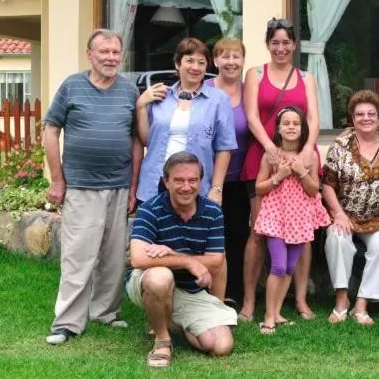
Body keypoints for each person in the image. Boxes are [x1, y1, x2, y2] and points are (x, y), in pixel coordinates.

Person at [42, 29, 140, 345]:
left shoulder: (129, 91)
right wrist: (58, 180)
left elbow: (137, 140)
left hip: (119, 185)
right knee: (78, 256)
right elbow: (51, 131)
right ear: (90, 55)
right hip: (81, 187)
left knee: (112, 258)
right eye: (104, 52)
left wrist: (134, 186)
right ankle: (67, 322)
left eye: (115, 52)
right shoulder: (72, 86)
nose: (111, 58)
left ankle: (106, 313)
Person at [135, 38, 236, 299]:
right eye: (189, 60)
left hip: (194, 183)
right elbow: (147, 139)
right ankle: (161, 304)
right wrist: (140, 105)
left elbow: (224, 146)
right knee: (157, 247)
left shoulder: (217, 100)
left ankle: (213, 305)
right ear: (177, 63)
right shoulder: (160, 96)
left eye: (201, 62)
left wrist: (216, 187)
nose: (195, 67)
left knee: (203, 246)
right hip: (157, 181)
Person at [238, 19, 320, 322]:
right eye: (275, 42)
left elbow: (312, 116)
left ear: (294, 45)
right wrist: (270, 148)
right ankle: (249, 302)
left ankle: (299, 300)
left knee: (302, 235)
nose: (281, 48)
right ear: (268, 44)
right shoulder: (256, 74)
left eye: (287, 42)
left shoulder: (306, 77)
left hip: (302, 159)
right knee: (259, 231)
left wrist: (308, 152)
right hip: (264, 156)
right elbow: (251, 116)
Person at [125, 151, 236, 367]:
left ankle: (175, 322)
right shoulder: (150, 209)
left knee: (221, 346)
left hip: (190, 291)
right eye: (178, 180)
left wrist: (172, 254)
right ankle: (162, 341)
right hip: (147, 283)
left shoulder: (213, 212)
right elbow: (138, 259)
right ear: (166, 182)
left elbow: (215, 262)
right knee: (160, 277)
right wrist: (189, 262)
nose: (186, 187)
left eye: (193, 180)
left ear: (200, 182)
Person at [252, 107, 331, 335]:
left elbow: (314, 189)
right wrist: (279, 176)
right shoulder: (271, 155)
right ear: (278, 128)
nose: (291, 127)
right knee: (277, 265)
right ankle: (268, 317)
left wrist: (301, 172)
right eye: (286, 123)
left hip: (299, 217)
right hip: (276, 216)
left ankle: (277, 312)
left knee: (289, 266)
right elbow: (259, 188)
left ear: (303, 128)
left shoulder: (310, 156)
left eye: (296, 123)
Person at [321, 90, 379, 326]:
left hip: (378, 217)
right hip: (346, 214)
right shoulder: (340, 145)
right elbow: (328, 185)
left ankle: (362, 304)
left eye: (371, 114)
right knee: (337, 238)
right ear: (352, 118)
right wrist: (338, 213)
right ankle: (342, 300)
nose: (365, 118)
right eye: (360, 114)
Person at [208, 37, 250, 306]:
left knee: (236, 238)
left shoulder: (250, 92)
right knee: (208, 238)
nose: (231, 62)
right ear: (215, 61)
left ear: (243, 61)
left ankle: (231, 294)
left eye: (236, 57)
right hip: (207, 180)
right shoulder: (205, 89)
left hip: (240, 179)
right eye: (225, 56)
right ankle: (205, 293)